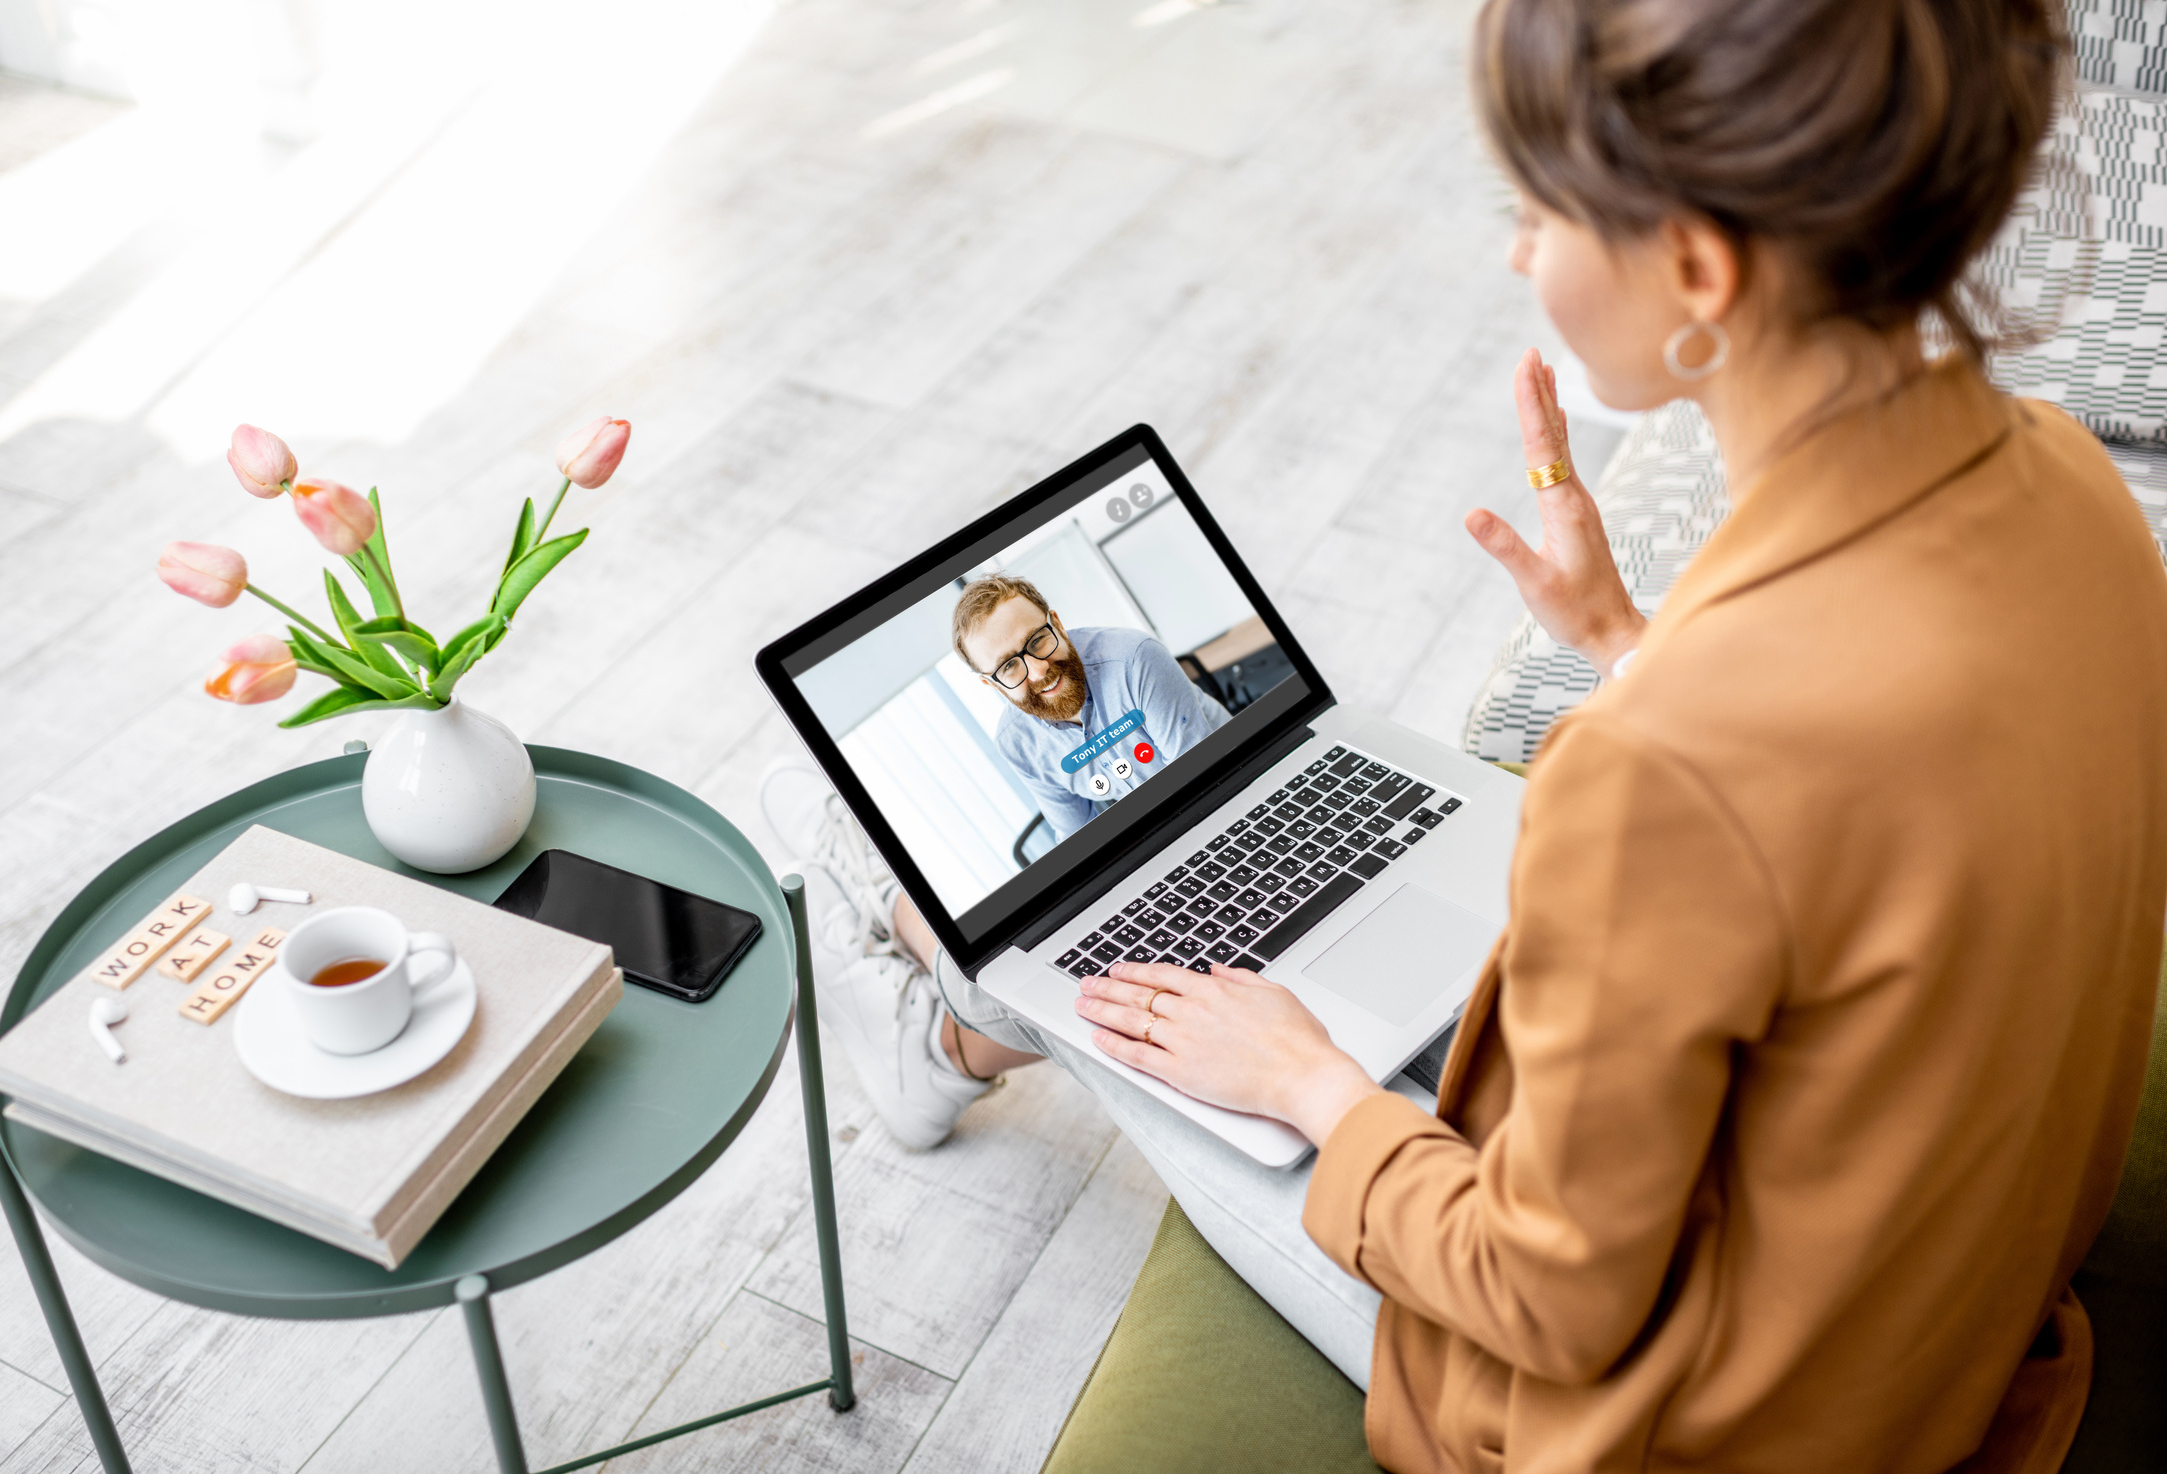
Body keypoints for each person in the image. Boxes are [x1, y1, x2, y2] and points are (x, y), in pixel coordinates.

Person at [767, 0, 2167, 1468]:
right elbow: (1872, 825)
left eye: (1535, 206)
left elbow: (1545, 1296)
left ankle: (946, 1031)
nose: (1516, 253)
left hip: (1701, 1422)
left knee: (1070, 964)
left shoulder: (1664, 775)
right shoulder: (2077, 498)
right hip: (1937, 1321)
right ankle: (955, 1017)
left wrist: (1309, 1083)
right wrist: (1632, 645)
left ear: (1695, 264)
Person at [950, 574, 1230, 841]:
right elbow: (1077, 839)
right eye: (1009, 666)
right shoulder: (1018, 743)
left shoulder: (1134, 659)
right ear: (995, 686)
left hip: (1230, 776)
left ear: (1057, 625)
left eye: (1037, 641)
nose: (1037, 670)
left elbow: (1201, 783)